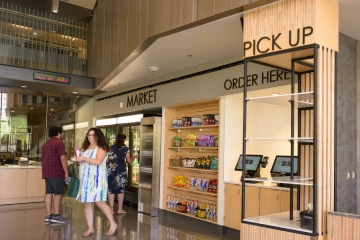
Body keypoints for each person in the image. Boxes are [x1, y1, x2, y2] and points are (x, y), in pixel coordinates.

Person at [75, 127, 117, 237]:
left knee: (100, 203)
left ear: (98, 136)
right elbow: (82, 162)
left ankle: (113, 224)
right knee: (87, 203)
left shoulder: (101, 148)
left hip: (98, 179)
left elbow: (98, 161)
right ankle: (90, 228)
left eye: (92, 135)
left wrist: (83, 159)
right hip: (85, 179)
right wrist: (78, 159)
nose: (90, 137)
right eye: (89, 135)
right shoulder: (85, 148)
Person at [42, 126, 69, 224]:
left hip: (47, 173)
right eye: (61, 133)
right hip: (57, 172)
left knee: (48, 192)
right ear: (59, 133)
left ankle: (48, 215)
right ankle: (56, 216)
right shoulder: (59, 143)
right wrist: (66, 172)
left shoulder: (45, 144)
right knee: (58, 193)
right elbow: (63, 158)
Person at [107, 133, 138, 214]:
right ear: (124, 139)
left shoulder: (111, 148)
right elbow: (128, 161)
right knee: (120, 190)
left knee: (111, 190)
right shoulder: (126, 149)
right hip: (121, 171)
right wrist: (134, 157)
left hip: (111, 170)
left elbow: (106, 160)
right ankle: (120, 209)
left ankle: (111, 209)